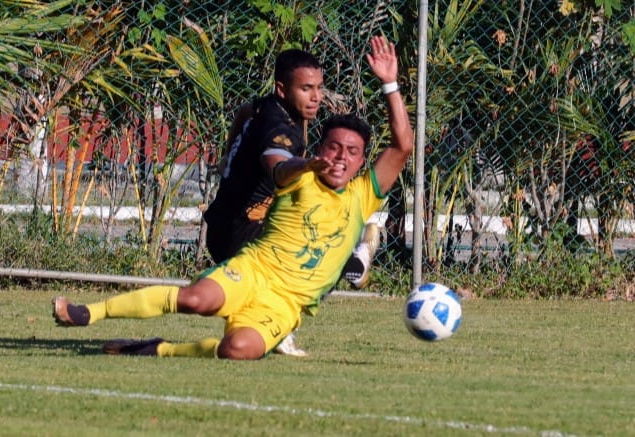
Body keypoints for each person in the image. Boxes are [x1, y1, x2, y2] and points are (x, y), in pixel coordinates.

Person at [52, 35, 412, 361]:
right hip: (254, 268)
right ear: (319, 148)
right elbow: (279, 168)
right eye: (333, 148)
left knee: (237, 350)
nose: (341, 157)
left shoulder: (364, 192)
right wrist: (304, 165)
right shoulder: (300, 175)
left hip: (286, 303)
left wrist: (390, 84)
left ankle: (158, 349)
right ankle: (91, 312)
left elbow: (403, 145)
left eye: (352, 152)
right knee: (196, 300)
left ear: (363, 161)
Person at [204, 48, 380, 356]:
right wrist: (294, 167)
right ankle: (352, 260)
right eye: (306, 89)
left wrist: (227, 152)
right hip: (242, 229)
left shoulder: (267, 108)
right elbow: (277, 163)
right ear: (282, 89)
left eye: (318, 88)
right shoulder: (280, 129)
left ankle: (274, 328)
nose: (316, 97)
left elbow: (244, 110)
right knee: (315, 262)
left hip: (224, 220)